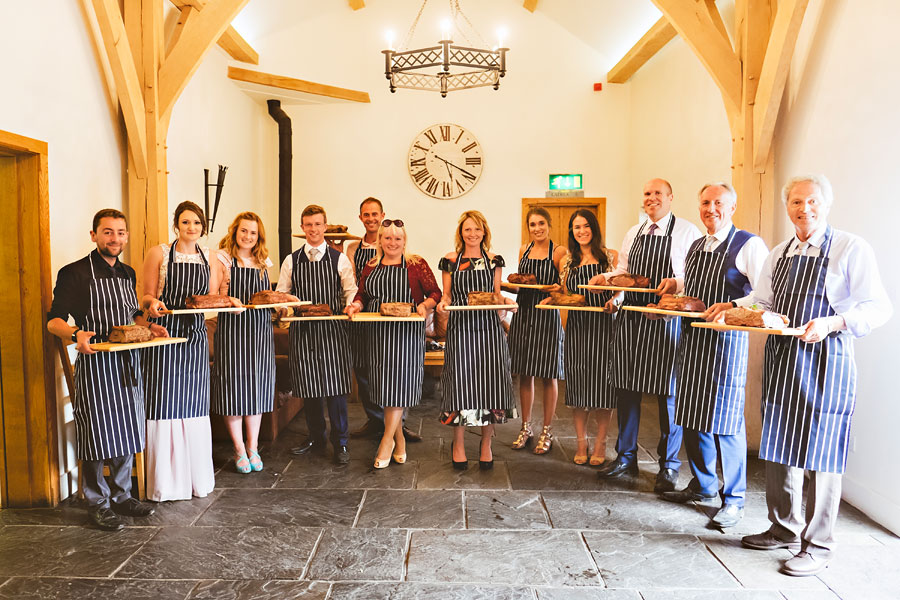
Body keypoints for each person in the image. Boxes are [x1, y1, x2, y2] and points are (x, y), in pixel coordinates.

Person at [708, 175, 891, 576]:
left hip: (829, 361)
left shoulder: (849, 248)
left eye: (811, 201)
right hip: (783, 360)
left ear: (826, 203)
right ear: (786, 205)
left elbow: (878, 307)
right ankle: (783, 528)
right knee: (780, 445)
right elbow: (762, 300)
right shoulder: (780, 253)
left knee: (823, 454)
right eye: (795, 202)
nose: (803, 209)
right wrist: (736, 310)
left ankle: (819, 544)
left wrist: (833, 322)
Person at [659, 183, 769, 529]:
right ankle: (704, 486)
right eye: (705, 202)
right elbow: (692, 288)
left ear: (732, 207)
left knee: (726, 422)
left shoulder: (748, 244)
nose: (711, 209)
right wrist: (674, 291)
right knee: (691, 415)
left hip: (726, 344)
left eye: (718, 203)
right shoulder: (695, 245)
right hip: (691, 340)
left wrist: (733, 305)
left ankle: (733, 499)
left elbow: (766, 293)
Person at [47, 209, 158, 530]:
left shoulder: (127, 272)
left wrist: (150, 327)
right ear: (94, 235)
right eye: (108, 232)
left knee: (126, 429)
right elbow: (54, 319)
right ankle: (97, 501)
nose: (115, 238)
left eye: (121, 232)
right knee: (97, 433)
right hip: (96, 364)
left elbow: (133, 314)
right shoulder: (75, 273)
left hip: (128, 362)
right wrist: (75, 335)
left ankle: (122, 496)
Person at [597, 178, 703, 492]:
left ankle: (668, 467)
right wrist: (613, 292)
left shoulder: (686, 232)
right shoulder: (635, 232)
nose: (652, 198)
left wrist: (675, 286)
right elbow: (625, 273)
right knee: (626, 390)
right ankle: (625, 457)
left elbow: (693, 276)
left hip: (666, 319)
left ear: (671, 198)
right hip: (631, 320)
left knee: (667, 395)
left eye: (658, 193)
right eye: (647, 193)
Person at [143, 201, 227, 501]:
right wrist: (152, 304)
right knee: (164, 399)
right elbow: (146, 294)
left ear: (203, 227)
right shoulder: (159, 253)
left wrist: (227, 301)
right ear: (176, 224)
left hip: (194, 335)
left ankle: (196, 478)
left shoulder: (212, 258)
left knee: (193, 401)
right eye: (185, 222)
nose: (191, 227)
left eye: (196, 223)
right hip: (163, 333)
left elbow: (213, 297)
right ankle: (166, 483)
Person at [346, 219, 441, 468]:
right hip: (378, 333)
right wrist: (355, 305)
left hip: (407, 334)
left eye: (397, 238)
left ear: (404, 241)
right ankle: (399, 438)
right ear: (380, 240)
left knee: (399, 386)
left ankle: (386, 441)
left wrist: (424, 305)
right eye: (387, 238)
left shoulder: (416, 264)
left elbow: (435, 293)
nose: (392, 242)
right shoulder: (371, 265)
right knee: (385, 388)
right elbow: (362, 295)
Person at [276, 204, 357, 464]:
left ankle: (341, 443)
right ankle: (316, 437)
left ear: (324, 226)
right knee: (309, 388)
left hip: (333, 331)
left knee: (335, 389)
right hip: (303, 332)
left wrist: (350, 306)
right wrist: (283, 308)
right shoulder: (291, 260)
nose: (313, 229)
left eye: (317, 224)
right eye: (308, 225)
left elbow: (350, 290)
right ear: (303, 228)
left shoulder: (339, 259)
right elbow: (282, 293)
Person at [436, 211, 517, 470]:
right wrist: (442, 305)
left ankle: (486, 443)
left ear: (484, 232)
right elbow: (447, 295)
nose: (472, 234)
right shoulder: (450, 261)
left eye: (477, 230)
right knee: (460, 383)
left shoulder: (494, 261)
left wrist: (508, 303)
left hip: (489, 329)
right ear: (461, 232)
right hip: (460, 328)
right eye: (468, 230)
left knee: (489, 383)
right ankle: (458, 442)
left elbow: (495, 295)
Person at [540, 209, 618, 466]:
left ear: (594, 228)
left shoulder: (610, 257)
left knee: (602, 387)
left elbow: (621, 290)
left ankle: (601, 442)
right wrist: (551, 298)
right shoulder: (568, 261)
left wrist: (615, 301)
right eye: (576, 227)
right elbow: (564, 292)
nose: (581, 231)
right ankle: (581, 442)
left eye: (585, 226)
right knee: (578, 386)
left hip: (604, 326)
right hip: (576, 327)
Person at [346, 198, 422, 443]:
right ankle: (375, 420)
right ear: (361, 218)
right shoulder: (354, 250)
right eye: (366, 215)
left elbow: (428, 291)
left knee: (398, 374)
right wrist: (356, 304)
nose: (371, 219)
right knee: (366, 371)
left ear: (382, 216)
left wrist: (423, 305)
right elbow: (356, 286)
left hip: (399, 326)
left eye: (374, 214)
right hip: (368, 319)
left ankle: (396, 426)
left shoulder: (404, 252)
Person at [210, 212, 277, 473]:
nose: (248, 236)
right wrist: (229, 301)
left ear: (258, 235)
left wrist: (277, 307)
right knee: (234, 389)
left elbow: (265, 296)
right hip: (233, 331)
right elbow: (213, 295)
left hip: (260, 332)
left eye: (253, 232)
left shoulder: (263, 261)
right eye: (244, 231)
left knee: (257, 389)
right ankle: (238, 448)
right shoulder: (222, 259)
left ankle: (253, 447)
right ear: (235, 231)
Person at [507, 207, 567, 454]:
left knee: (548, 375)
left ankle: (547, 430)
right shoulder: (524, 249)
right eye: (532, 224)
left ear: (549, 225)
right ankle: (525, 427)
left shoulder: (559, 251)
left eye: (541, 223)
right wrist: (505, 286)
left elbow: (563, 285)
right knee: (524, 374)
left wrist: (556, 288)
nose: (537, 228)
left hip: (546, 316)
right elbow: (522, 285)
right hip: (524, 314)